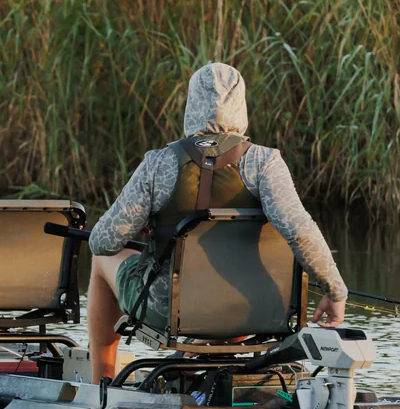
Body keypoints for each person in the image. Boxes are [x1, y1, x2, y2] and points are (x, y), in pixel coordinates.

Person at [86, 63, 348, 382]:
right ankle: (206, 356)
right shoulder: (266, 164)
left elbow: (103, 241)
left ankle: (101, 384)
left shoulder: (160, 164)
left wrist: (148, 222)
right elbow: (300, 232)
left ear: (191, 104)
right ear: (241, 104)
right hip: (259, 310)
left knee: (101, 259)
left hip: (173, 309)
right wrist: (335, 292)